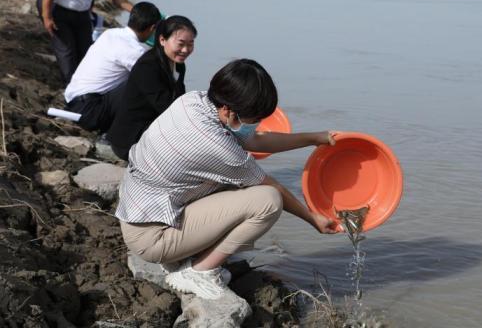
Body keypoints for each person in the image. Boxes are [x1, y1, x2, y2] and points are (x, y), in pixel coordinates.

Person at [116, 59, 338, 299]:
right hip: (152, 237)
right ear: (228, 110)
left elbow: (256, 140)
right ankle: (199, 271)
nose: (256, 126)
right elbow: (271, 185)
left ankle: (193, 253)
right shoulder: (218, 147)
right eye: (254, 119)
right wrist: (312, 218)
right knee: (268, 201)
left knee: (235, 186)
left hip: (142, 210)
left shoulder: (194, 101)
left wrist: (315, 138)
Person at [106, 15, 196, 160]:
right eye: (180, 44)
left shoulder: (178, 64)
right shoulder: (148, 66)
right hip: (131, 139)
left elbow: (180, 100)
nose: (185, 50)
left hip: (154, 129)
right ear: (162, 40)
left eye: (190, 44)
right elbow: (165, 107)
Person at [64, 2, 161, 133]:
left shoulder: (110, 33)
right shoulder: (134, 50)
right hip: (90, 112)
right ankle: (119, 134)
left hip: (73, 104)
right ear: (152, 28)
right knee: (142, 84)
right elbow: (156, 79)